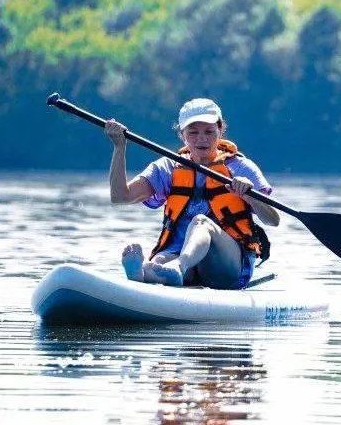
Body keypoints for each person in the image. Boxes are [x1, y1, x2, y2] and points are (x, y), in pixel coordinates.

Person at [103, 98, 280, 289]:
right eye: (193, 132)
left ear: (220, 131)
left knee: (200, 222)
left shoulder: (241, 168)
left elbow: (273, 220)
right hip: (178, 261)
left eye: (209, 132)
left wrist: (249, 194)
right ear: (183, 135)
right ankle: (142, 275)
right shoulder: (168, 167)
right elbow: (120, 196)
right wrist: (119, 147)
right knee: (158, 260)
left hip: (228, 267)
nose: (201, 138)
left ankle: (176, 268)